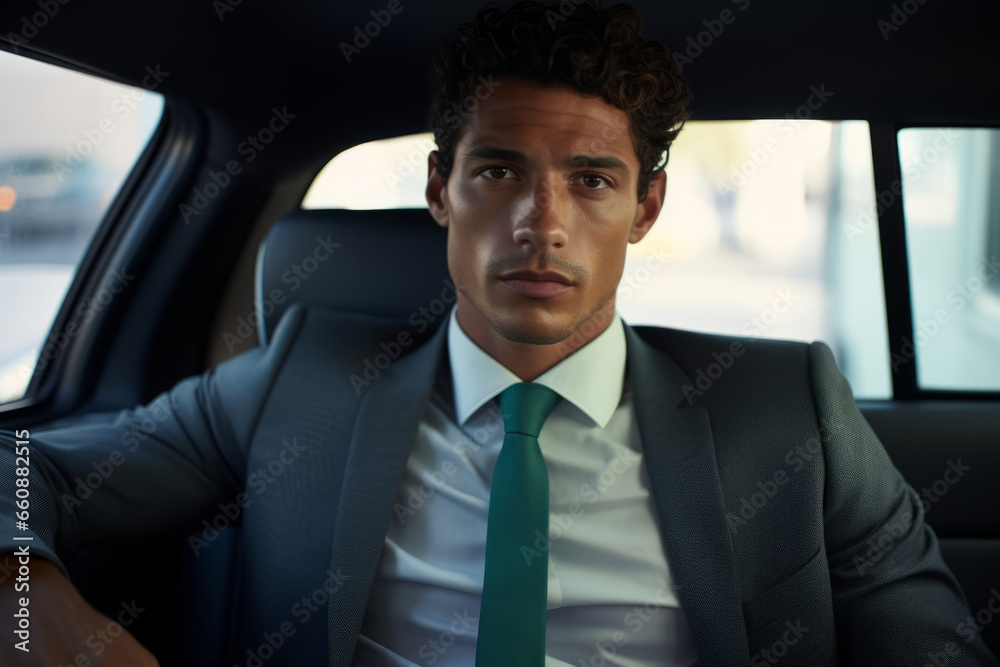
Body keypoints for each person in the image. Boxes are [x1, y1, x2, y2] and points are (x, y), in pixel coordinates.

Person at [1, 1, 997, 665]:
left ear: (645, 209)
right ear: (441, 190)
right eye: (498, 172)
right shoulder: (298, 382)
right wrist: (36, 608)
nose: (541, 222)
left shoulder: (785, 411)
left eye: (591, 180)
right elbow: (17, 467)